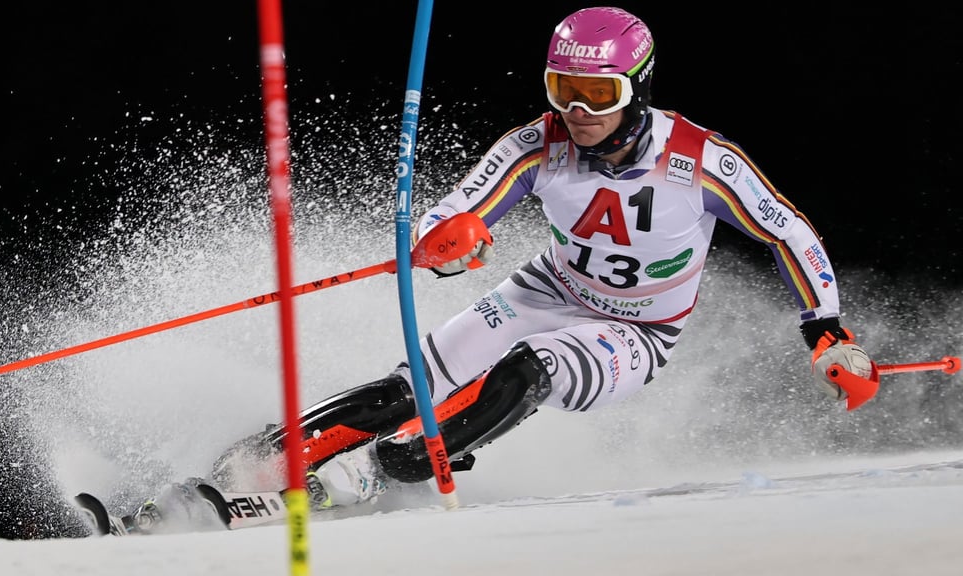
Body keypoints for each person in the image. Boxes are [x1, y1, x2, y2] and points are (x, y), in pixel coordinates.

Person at [125, 6, 877, 532]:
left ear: (637, 89)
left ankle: (377, 473)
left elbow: (789, 232)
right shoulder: (536, 143)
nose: (577, 111)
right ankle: (253, 466)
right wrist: (446, 241)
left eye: (597, 95)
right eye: (563, 90)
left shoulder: (701, 161)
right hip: (545, 289)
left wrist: (828, 332)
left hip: (637, 333)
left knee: (528, 370)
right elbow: (455, 211)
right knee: (409, 383)